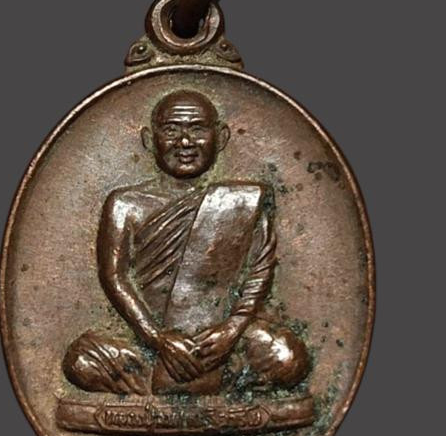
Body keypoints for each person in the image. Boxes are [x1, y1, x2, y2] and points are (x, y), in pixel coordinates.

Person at [63, 89, 309, 395]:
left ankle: (180, 384)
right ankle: (196, 385)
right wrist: (156, 338)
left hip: (220, 341)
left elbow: (260, 272)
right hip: (150, 341)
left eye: (197, 129)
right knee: (81, 361)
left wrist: (232, 330)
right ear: (149, 139)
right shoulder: (125, 204)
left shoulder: (243, 200)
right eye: (171, 130)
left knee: (288, 357)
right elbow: (115, 277)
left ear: (222, 137)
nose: (185, 142)